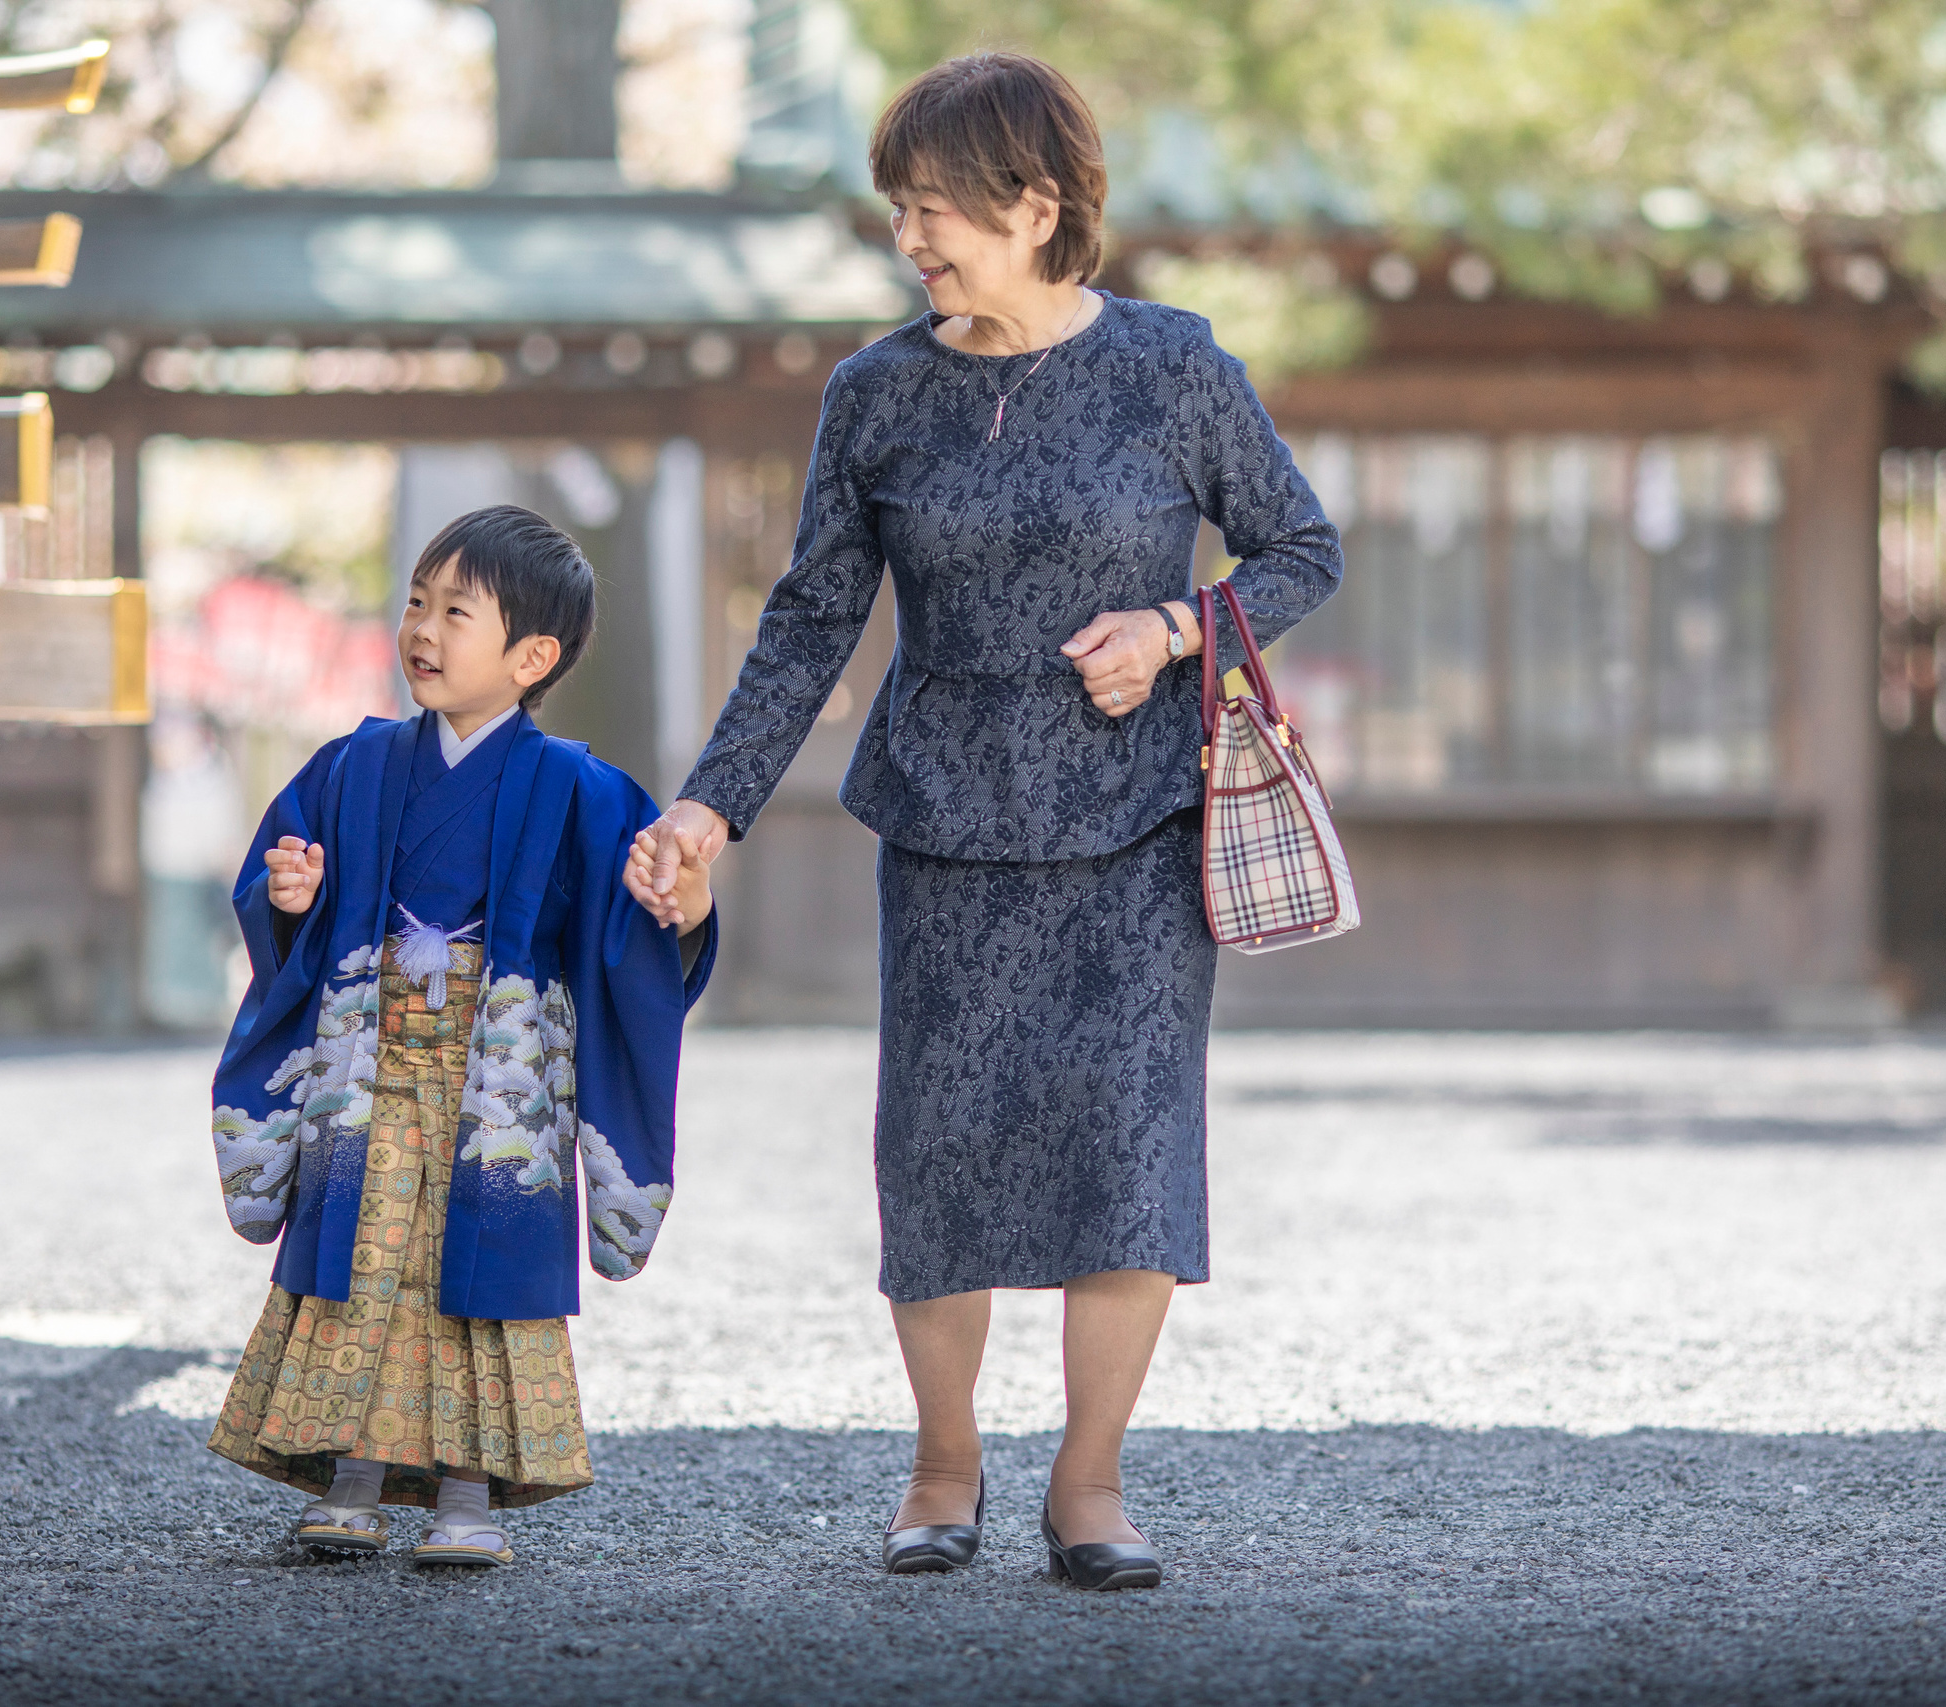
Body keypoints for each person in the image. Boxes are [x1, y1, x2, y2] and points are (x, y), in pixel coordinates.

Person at [626, 53, 1342, 1590]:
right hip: (947, 817)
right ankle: (943, 1462)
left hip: (1144, 823)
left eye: (935, 207)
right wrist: (712, 803)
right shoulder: (876, 393)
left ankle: (1090, 1482)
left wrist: (1173, 624)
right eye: (900, 212)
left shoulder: (1175, 365)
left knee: (1130, 1153)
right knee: (937, 1151)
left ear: (1037, 204)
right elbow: (813, 613)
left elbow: (1300, 545)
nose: (913, 239)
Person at [207, 504, 718, 1567]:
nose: (421, 632)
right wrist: (289, 894)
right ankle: (349, 1473)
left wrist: (682, 907)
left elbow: (634, 942)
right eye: (414, 604)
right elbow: (279, 881)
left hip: (499, 1097)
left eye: (455, 612)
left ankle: (467, 1491)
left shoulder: (579, 790)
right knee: (368, 1265)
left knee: (474, 1287)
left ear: (532, 656)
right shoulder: (354, 768)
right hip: (371, 1072)